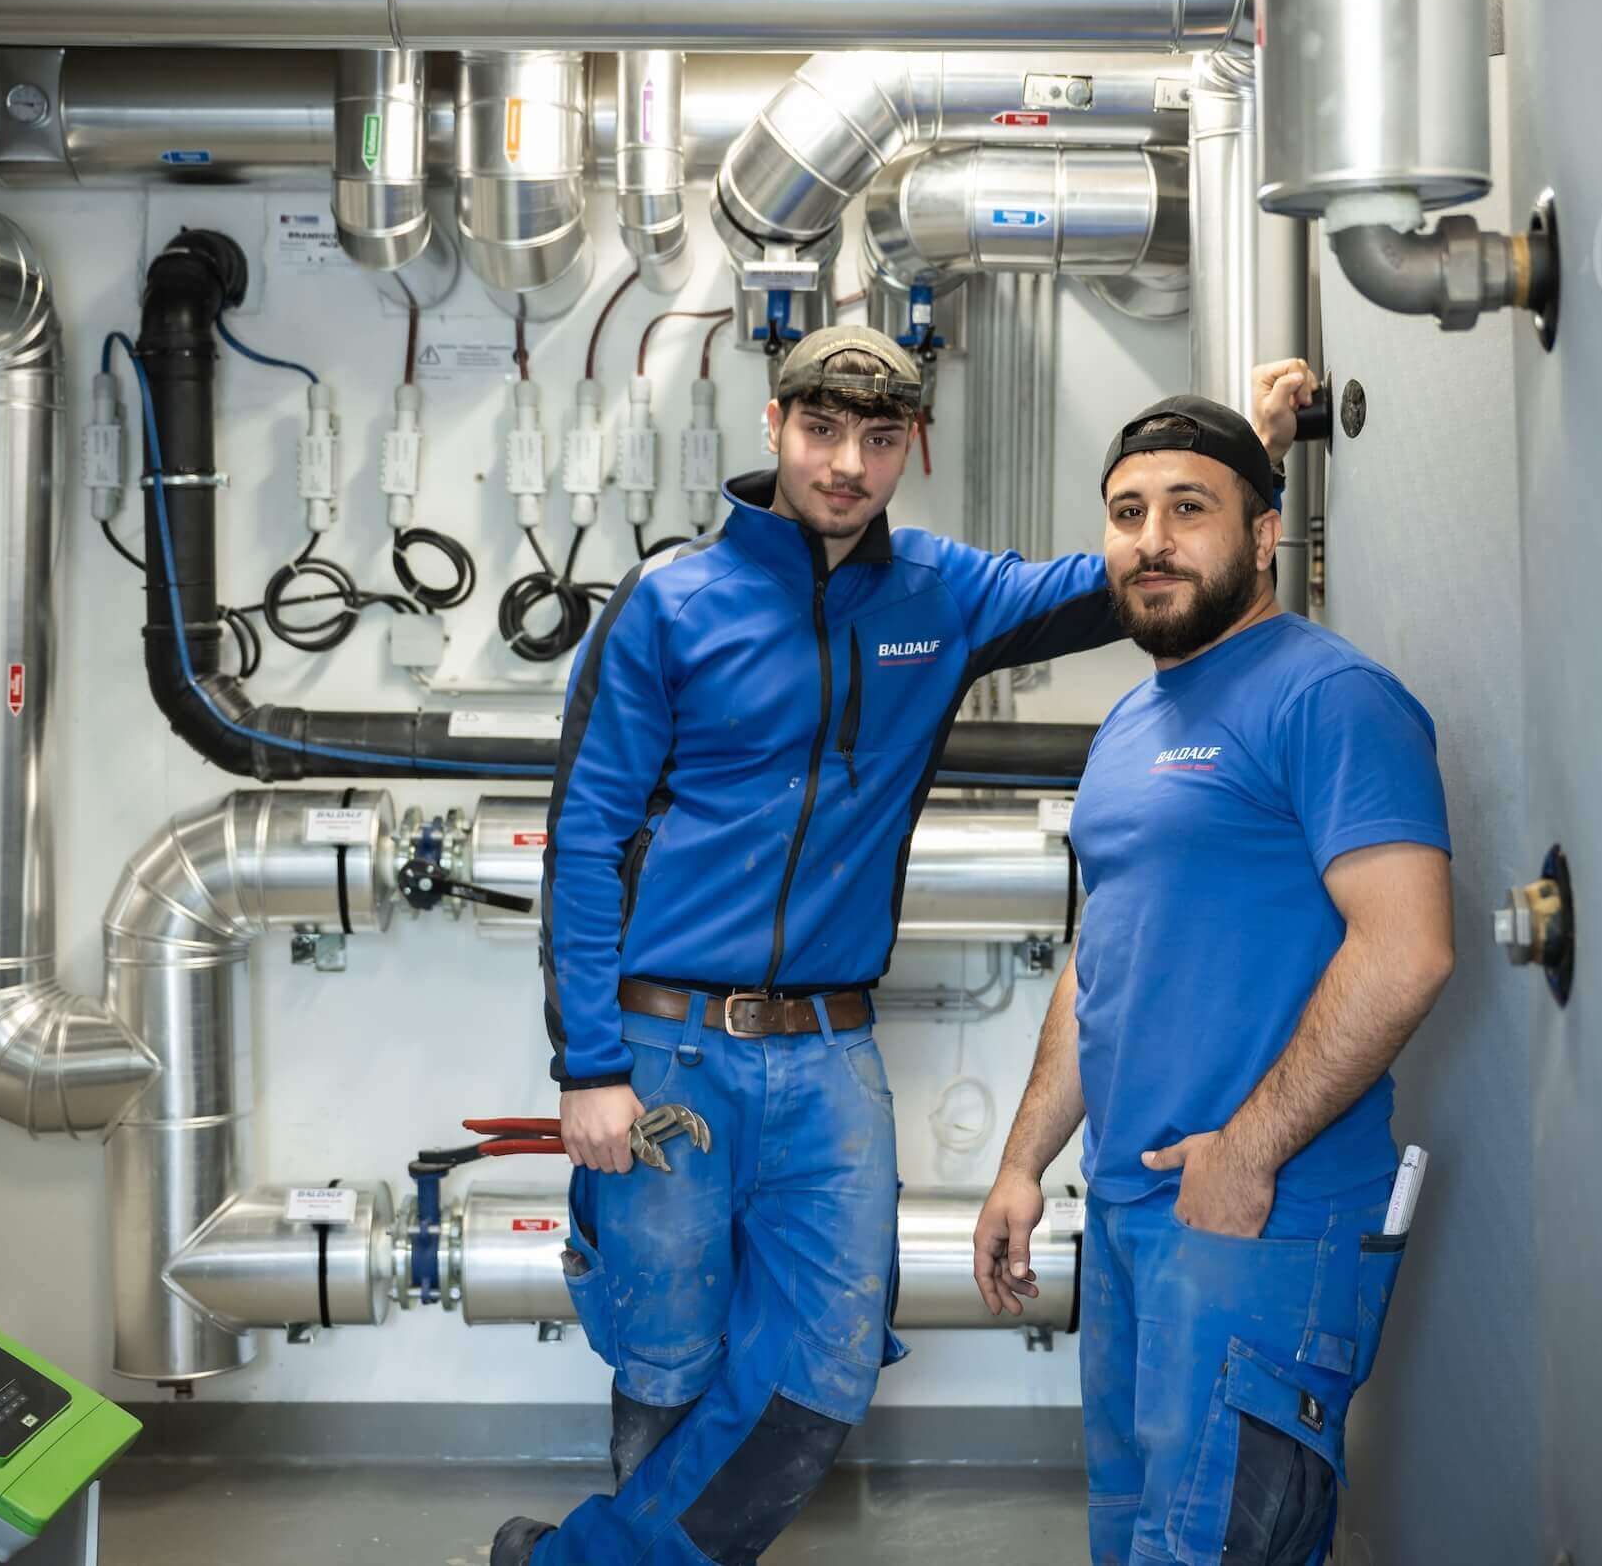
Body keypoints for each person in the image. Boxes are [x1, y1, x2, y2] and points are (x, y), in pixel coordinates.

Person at [495, 333, 1312, 1565]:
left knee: (824, 1369)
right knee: (670, 1356)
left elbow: (1128, 579)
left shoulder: (939, 594)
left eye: (880, 441)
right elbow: (585, 835)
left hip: (831, 1057)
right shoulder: (670, 605)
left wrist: (1248, 451)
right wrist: (589, 1067)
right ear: (774, 426)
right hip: (665, 1055)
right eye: (823, 432)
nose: (848, 465)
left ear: (908, 449)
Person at [972, 395, 1455, 1566]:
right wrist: (1022, 1163)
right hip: (1136, 1214)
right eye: (1128, 513)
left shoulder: (1329, 697)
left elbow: (1407, 948)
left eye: (1189, 509)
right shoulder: (1129, 722)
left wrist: (1247, 1152)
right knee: (1134, 1542)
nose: (1152, 538)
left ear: (1265, 531)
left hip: (1264, 1218)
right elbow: (1100, 963)